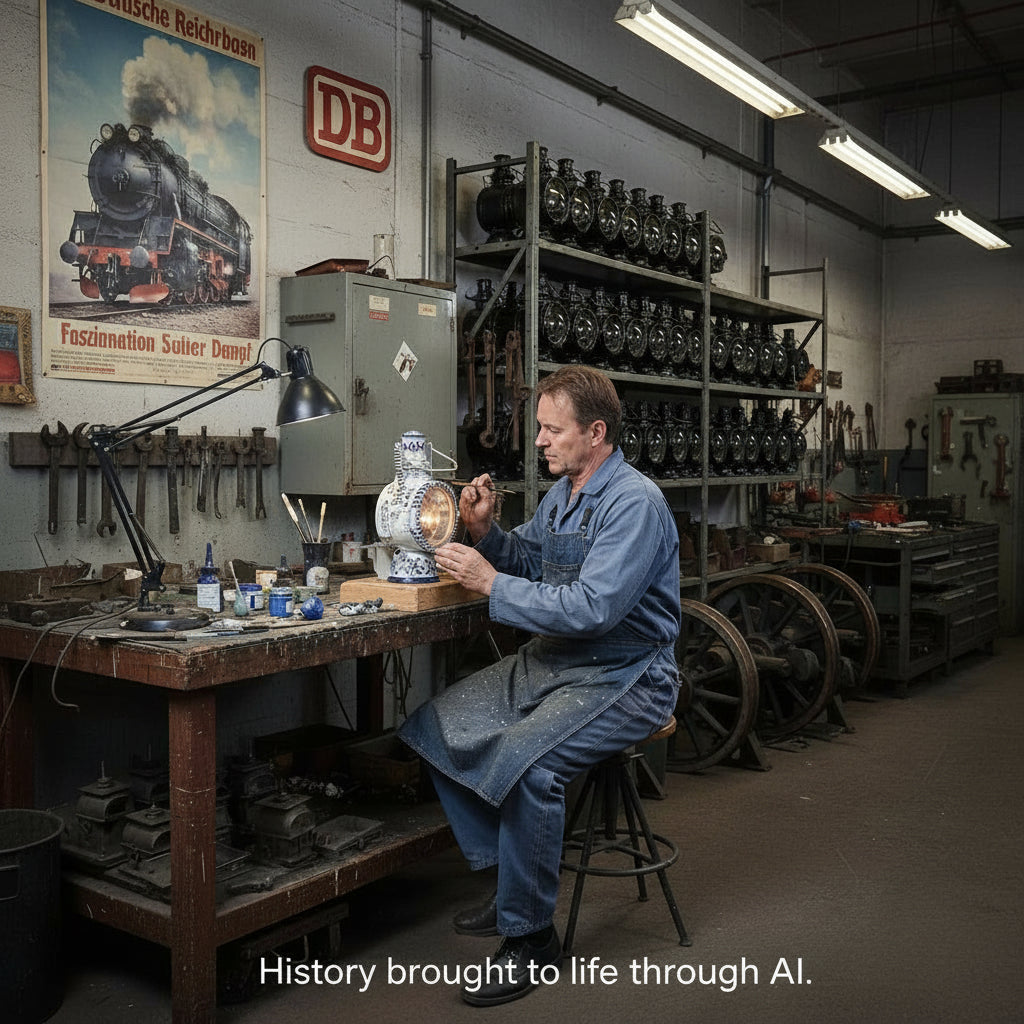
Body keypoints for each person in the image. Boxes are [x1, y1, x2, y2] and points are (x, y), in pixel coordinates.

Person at [398, 364, 681, 1006]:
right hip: (560, 660)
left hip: (627, 672)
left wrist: (490, 582)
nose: (540, 442)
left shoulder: (634, 502)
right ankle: (510, 887)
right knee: (437, 721)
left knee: (530, 767)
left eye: (553, 431)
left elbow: (592, 608)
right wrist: (484, 534)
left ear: (596, 432)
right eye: (541, 429)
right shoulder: (565, 492)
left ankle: (531, 940)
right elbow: (532, 557)